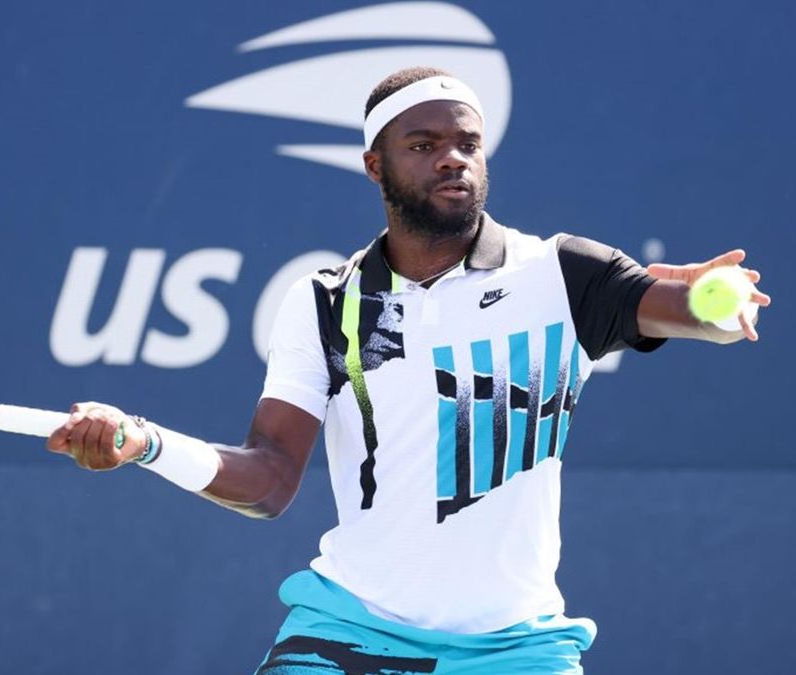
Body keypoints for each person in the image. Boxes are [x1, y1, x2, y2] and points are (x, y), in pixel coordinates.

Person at [45, 67, 771, 674]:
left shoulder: (561, 273)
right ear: (374, 164)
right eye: (424, 144)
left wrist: (712, 309)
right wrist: (145, 443)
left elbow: (678, 308)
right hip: (349, 632)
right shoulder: (327, 303)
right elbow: (267, 482)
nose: (452, 158)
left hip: (518, 648)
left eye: (467, 144)